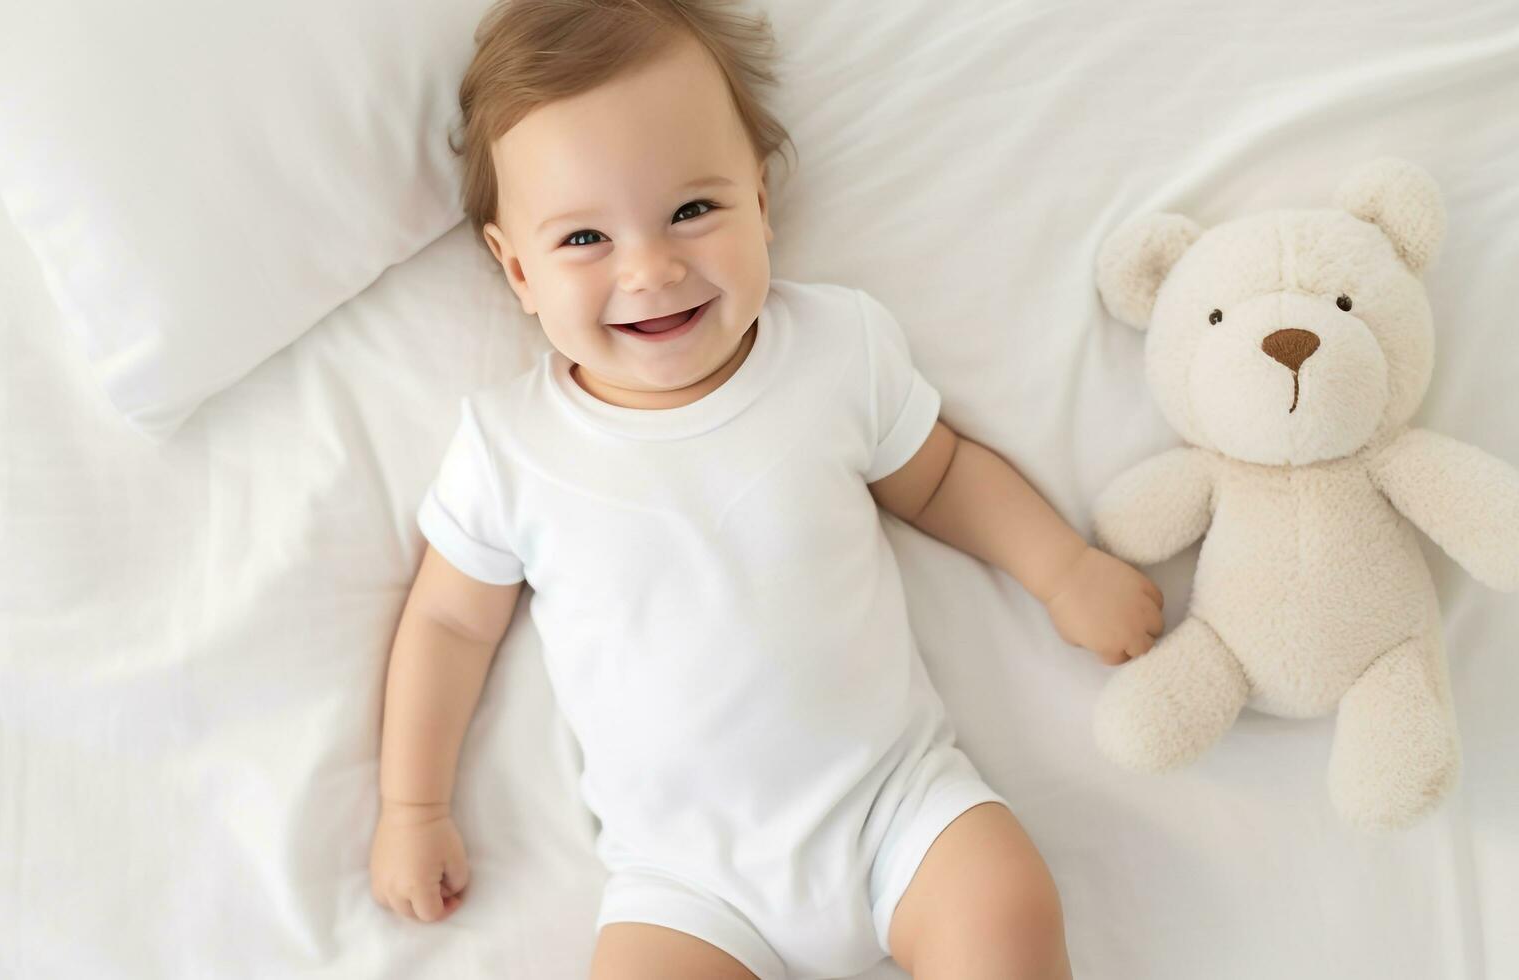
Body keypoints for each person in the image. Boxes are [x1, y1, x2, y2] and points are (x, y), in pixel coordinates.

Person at [371, 2, 1163, 976]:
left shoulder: (834, 349)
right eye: (584, 239)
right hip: (687, 886)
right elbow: (449, 624)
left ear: (759, 200)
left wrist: (1064, 568)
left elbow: (943, 474)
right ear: (516, 267)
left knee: (1003, 911)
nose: (652, 269)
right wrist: (414, 806)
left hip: (897, 808)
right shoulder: (509, 449)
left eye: (693, 211)